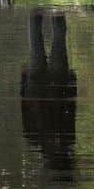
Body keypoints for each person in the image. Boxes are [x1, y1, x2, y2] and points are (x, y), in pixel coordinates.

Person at [21, 9, 77, 171]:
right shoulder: (33, 138)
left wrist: (72, 81)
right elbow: (24, 106)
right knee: (35, 41)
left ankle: (57, 6)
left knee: (59, 39)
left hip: (59, 85)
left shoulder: (68, 140)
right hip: (35, 89)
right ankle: (34, 8)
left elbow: (70, 107)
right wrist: (23, 81)